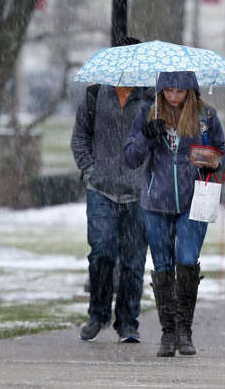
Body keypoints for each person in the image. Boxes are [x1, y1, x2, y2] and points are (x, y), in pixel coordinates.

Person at [124, 71, 225, 357]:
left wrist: (211, 162)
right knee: (163, 264)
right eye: (168, 90)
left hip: (195, 199)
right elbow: (130, 158)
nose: (173, 96)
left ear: (190, 91)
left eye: (180, 91)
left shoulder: (206, 115)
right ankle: (167, 332)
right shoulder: (148, 112)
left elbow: (221, 150)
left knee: (187, 259)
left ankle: (185, 331)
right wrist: (146, 137)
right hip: (156, 200)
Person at [70, 37, 152, 344]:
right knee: (101, 253)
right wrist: (92, 171)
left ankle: (128, 322)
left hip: (138, 194)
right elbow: (79, 139)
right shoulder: (94, 95)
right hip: (101, 191)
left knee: (133, 261)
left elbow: (160, 144)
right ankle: (98, 315)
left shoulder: (151, 100)